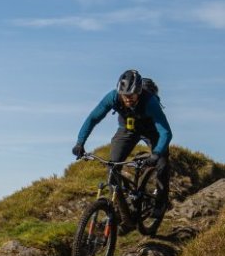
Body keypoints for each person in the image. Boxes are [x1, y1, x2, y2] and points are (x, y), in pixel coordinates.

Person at [72, 69, 173, 218]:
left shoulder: (150, 102)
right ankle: (120, 212)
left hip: (152, 131)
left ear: (138, 92)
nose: (127, 99)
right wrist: (80, 142)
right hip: (127, 129)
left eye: (131, 95)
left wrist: (157, 153)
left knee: (162, 163)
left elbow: (166, 132)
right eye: (124, 95)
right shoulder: (112, 97)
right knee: (112, 168)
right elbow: (93, 118)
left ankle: (161, 201)